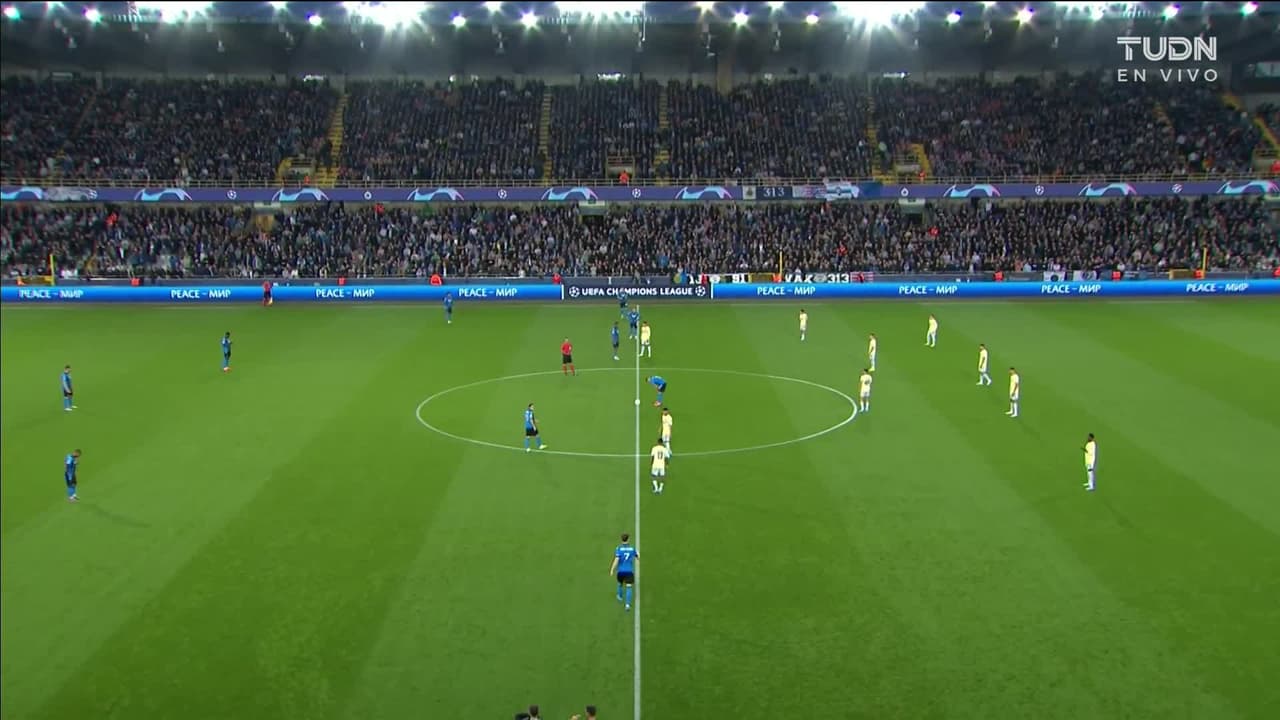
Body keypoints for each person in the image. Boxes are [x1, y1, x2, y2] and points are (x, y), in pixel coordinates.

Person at [610, 533, 638, 611]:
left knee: (620, 584)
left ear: (621, 539)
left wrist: (612, 569)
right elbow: (637, 556)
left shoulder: (618, 549)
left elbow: (616, 560)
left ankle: (620, 596)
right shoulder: (632, 549)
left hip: (621, 571)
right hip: (629, 571)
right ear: (628, 539)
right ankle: (627, 605)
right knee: (629, 587)